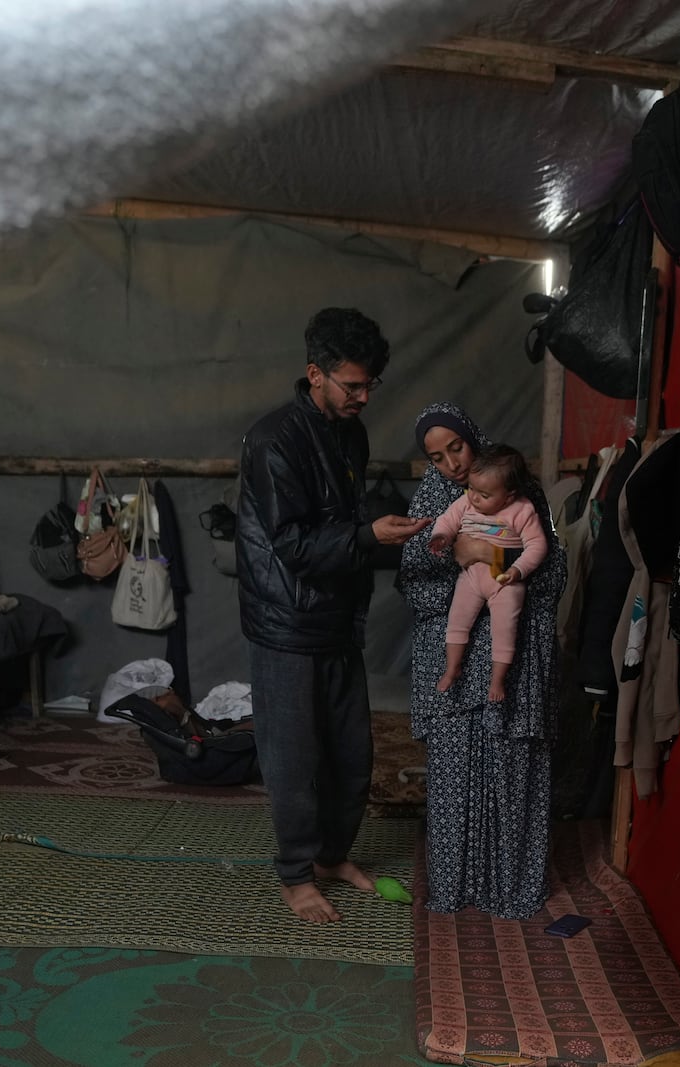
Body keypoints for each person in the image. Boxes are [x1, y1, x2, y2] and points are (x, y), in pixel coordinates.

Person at [235, 307, 430, 923]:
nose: (364, 397)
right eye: (353, 385)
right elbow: (292, 545)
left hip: (338, 614)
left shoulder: (351, 433)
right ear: (314, 373)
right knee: (294, 759)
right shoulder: (273, 441)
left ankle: (331, 856)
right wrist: (370, 534)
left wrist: (381, 526)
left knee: (352, 754)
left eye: (371, 385)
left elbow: (343, 519)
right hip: (285, 622)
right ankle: (296, 874)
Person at [397, 403, 566, 919]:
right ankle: (452, 888)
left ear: (475, 439)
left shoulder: (520, 493)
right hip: (450, 657)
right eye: (437, 455)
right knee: (452, 779)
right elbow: (413, 582)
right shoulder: (431, 500)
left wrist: (488, 558)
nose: (452, 463)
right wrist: (455, 553)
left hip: (509, 661)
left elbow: (551, 574)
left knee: (512, 772)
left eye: (458, 447)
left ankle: (510, 890)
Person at [427, 444, 549, 702]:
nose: (474, 497)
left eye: (484, 494)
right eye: (472, 489)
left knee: (504, 629)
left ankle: (497, 680)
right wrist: (441, 537)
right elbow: (447, 520)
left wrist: (518, 569)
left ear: (509, 496)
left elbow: (538, 546)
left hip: (505, 581)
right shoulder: (465, 502)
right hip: (471, 576)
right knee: (457, 620)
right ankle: (452, 667)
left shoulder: (522, 510)